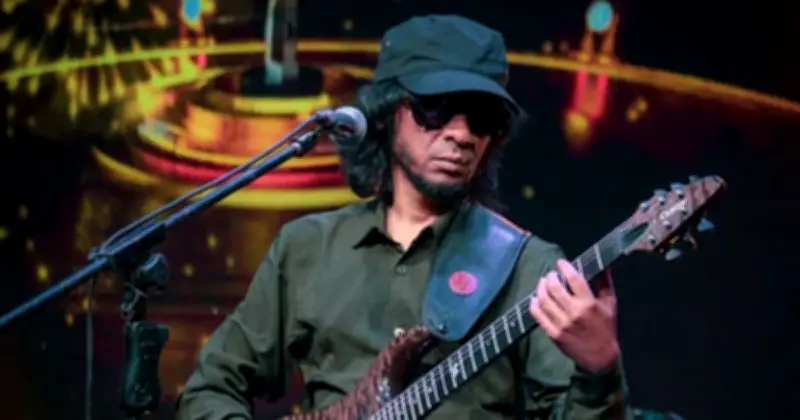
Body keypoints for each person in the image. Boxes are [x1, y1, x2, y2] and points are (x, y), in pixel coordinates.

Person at [177, 14, 627, 419]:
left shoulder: (531, 269)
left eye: (481, 118)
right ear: (387, 112)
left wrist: (600, 370)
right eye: (438, 108)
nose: (461, 135)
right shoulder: (307, 249)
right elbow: (210, 390)